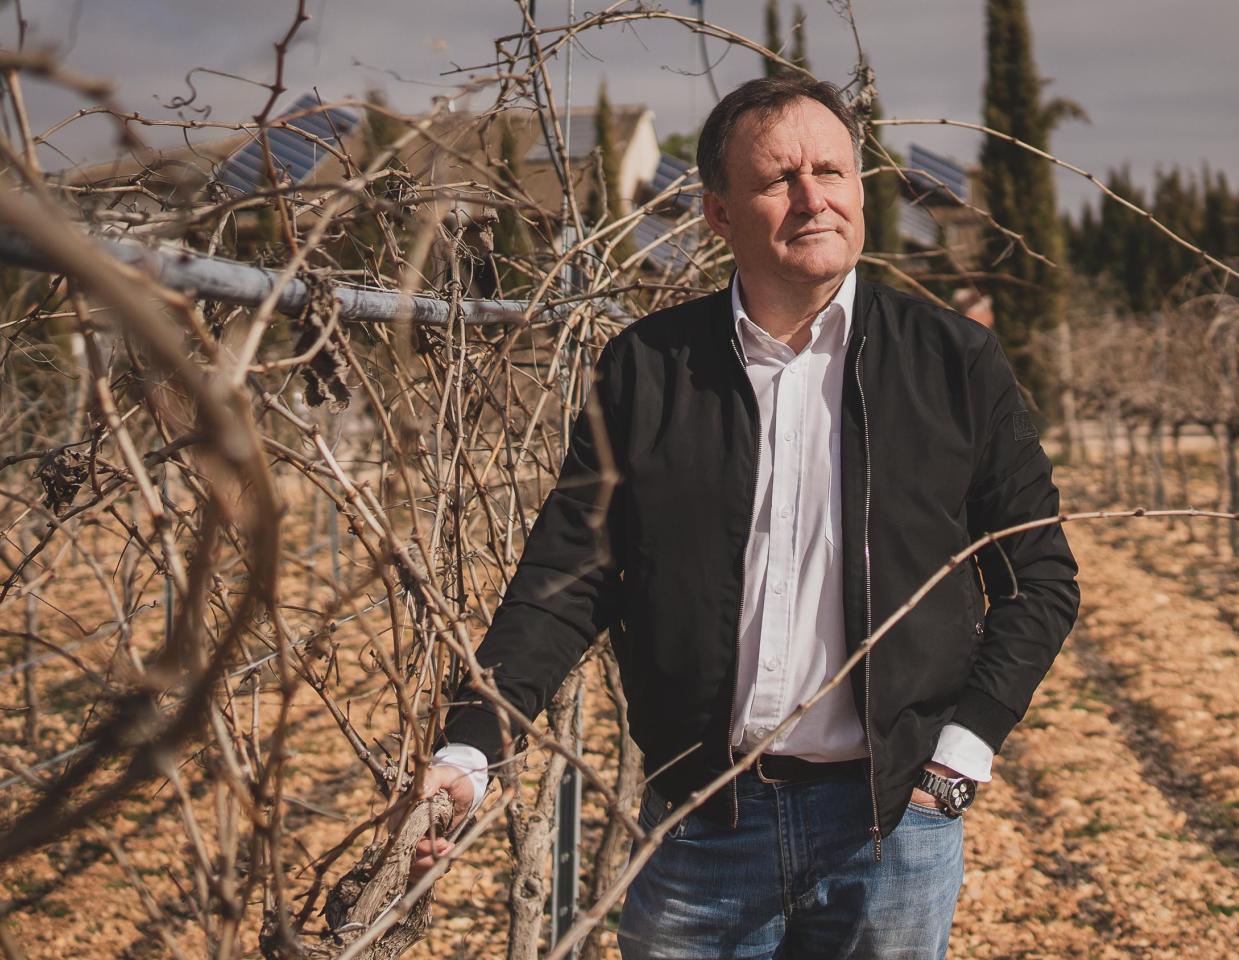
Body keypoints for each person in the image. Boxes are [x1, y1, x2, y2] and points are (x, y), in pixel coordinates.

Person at [411, 75, 1079, 959]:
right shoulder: (649, 369)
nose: (815, 198)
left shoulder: (953, 361)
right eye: (780, 181)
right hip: (701, 826)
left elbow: (1040, 579)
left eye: (832, 172)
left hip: (891, 827)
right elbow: (567, 580)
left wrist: (961, 757)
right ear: (720, 215)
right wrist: (471, 744)